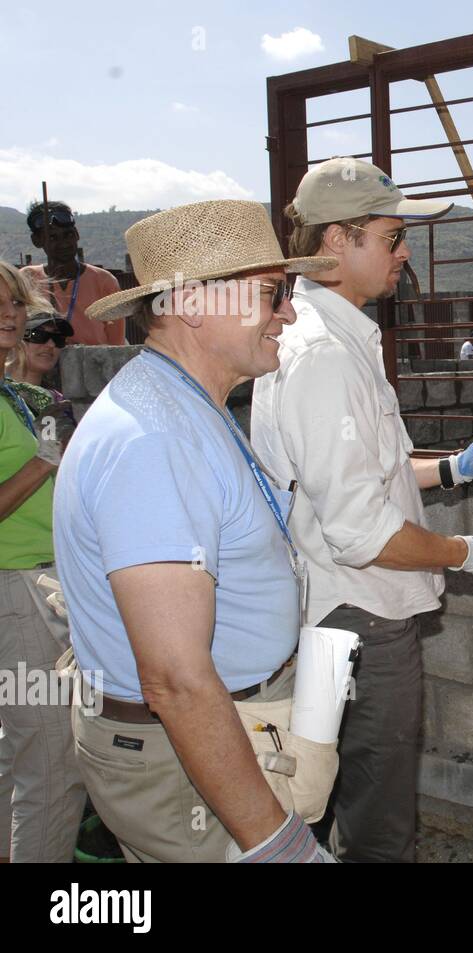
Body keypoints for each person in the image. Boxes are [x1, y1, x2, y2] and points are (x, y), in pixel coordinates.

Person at [53, 199, 346, 863]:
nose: (290, 313)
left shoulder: (182, 404)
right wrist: (274, 841)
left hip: (224, 735)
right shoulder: (155, 440)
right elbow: (177, 679)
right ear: (190, 301)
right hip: (189, 759)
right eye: (272, 294)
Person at [252, 157, 473, 863]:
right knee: (377, 817)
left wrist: (452, 468)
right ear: (339, 241)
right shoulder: (324, 356)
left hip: (344, 612)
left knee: (337, 798)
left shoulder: (336, 339)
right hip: (360, 617)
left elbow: (363, 477)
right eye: (391, 234)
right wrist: (468, 553)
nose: (403, 251)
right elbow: (361, 531)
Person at [0, 262, 83, 862]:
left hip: (34, 583)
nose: (9, 313)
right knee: (54, 768)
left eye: (12, 302)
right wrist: (47, 460)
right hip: (17, 591)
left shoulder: (14, 394)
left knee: (18, 759)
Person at [22, 201, 127, 347]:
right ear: (36, 241)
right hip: (42, 365)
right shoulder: (26, 280)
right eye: (52, 237)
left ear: (77, 234)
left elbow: (117, 345)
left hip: (94, 366)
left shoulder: (104, 281)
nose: (63, 243)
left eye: (68, 234)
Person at [6, 310, 74, 395]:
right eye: (39, 335)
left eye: (58, 338)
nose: (51, 344)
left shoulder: (59, 402)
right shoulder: (3, 394)